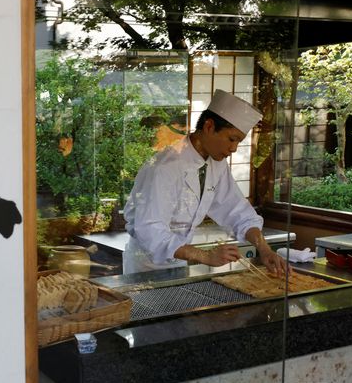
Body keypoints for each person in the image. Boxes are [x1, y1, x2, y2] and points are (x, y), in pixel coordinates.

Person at [122, 89, 287, 275]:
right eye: (232, 139)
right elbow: (150, 229)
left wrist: (264, 250)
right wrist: (205, 256)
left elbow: (237, 211)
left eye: (239, 142)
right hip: (146, 267)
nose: (233, 148)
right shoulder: (164, 167)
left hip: (179, 263)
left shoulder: (216, 164)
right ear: (209, 127)